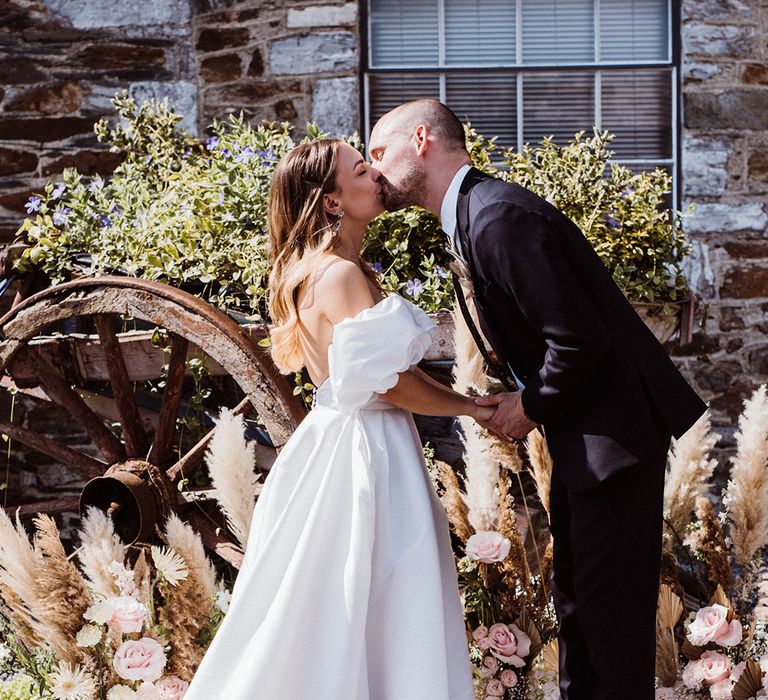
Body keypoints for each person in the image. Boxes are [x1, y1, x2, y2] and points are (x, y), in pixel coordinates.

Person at [368, 100, 707, 700]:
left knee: (611, 626)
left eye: (379, 152)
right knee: (580, 608)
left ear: (420, 139)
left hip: (614, 439)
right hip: (590, 437)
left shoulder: (497, 218)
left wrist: (529, 406)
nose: (373, 170)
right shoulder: (476, 214)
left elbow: (578, 340)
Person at [185, 139, 489, 700]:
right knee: (381, 596)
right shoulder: (338, 276)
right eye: (361, 169)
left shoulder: (327, 270)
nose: (377, 174)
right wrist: (470, 407)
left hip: (340, 439)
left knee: (336, 601)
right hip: (364, 449)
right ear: (332, 202)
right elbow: (389, 382)